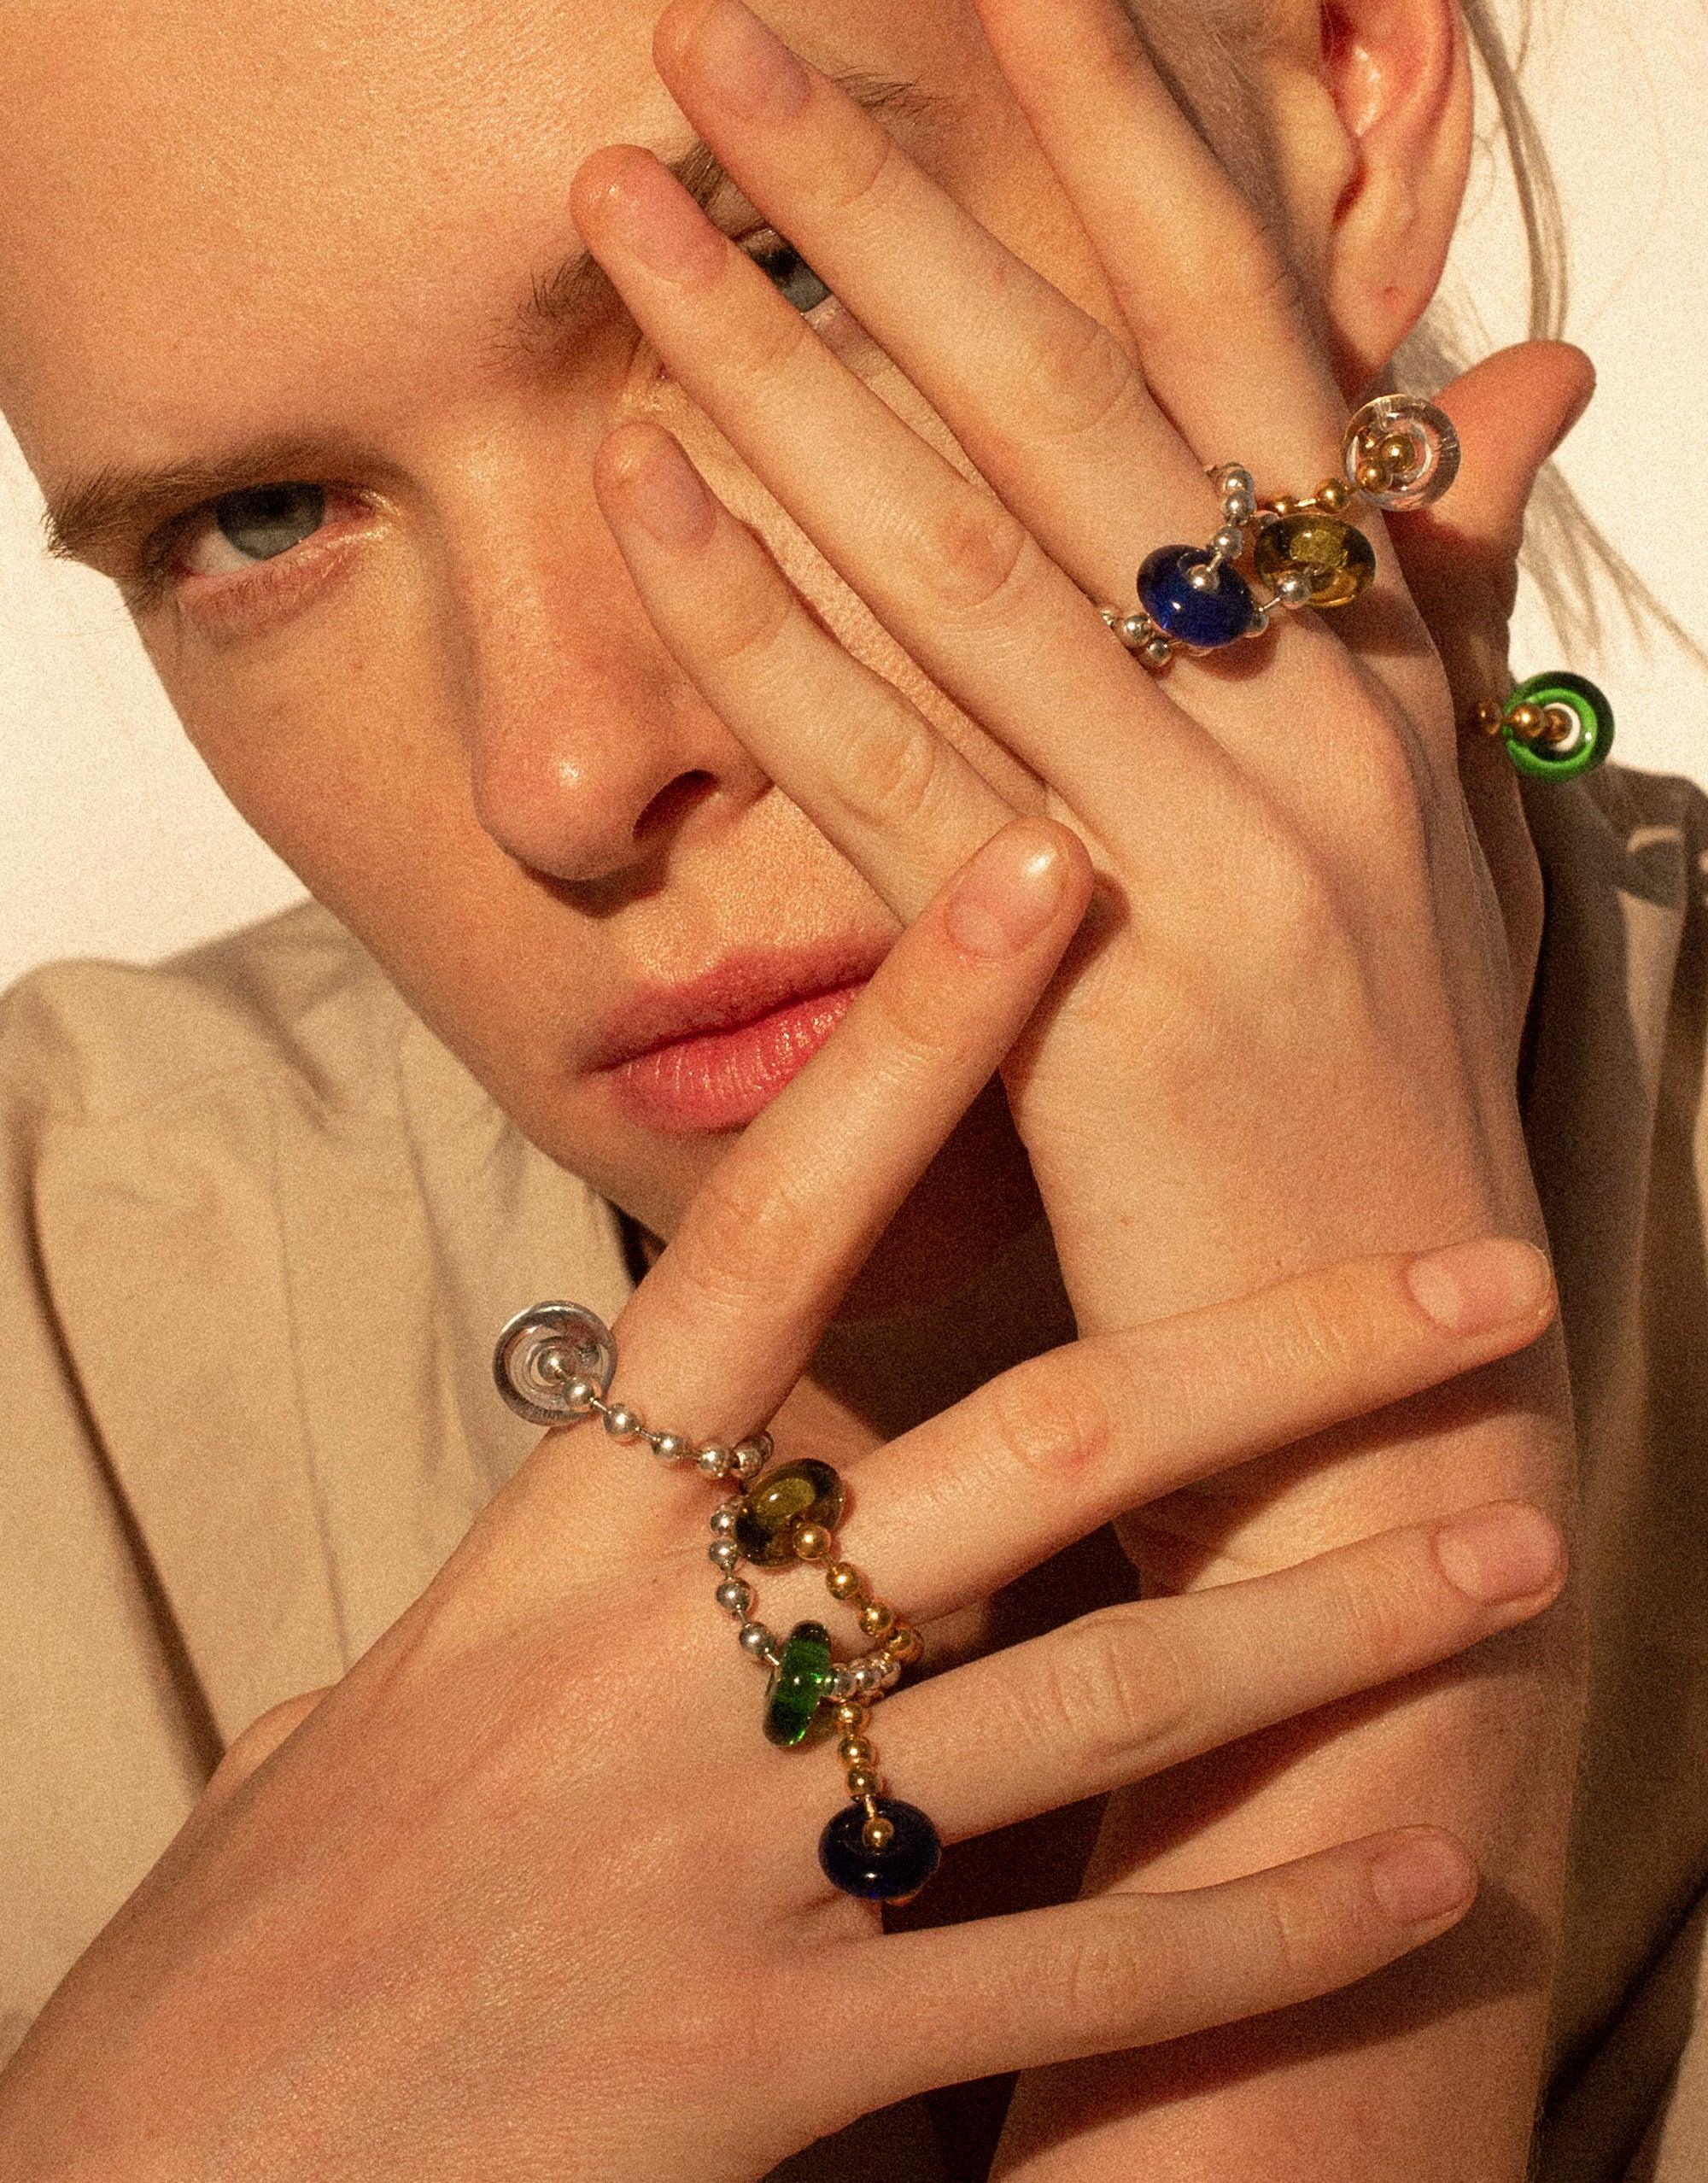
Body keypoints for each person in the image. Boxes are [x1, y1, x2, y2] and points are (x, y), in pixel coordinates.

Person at [0, 0, 1702, 2176]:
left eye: (771, 283)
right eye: (251, 522)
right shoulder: (58, 1334)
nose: (567, 771)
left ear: (1346, 100)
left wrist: (1377, 1522)